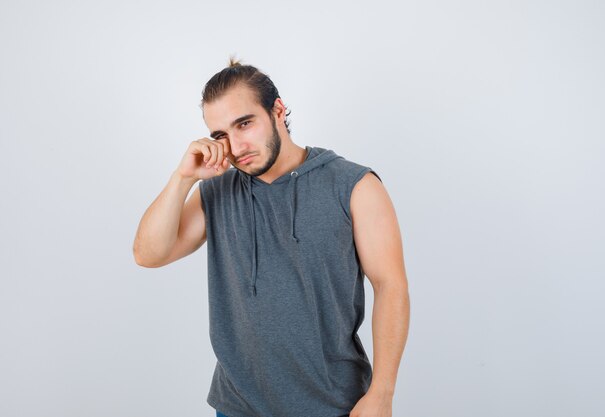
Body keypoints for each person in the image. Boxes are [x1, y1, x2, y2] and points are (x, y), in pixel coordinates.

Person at [133, 57, 410, 417]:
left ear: (277, 110)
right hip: (237, 407)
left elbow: (390, 286)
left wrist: (382, 393)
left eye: (244, 124)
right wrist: (182, 178)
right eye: (221, 135)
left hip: (335, 405)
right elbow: (148, 254)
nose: (235, 145)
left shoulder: (354, 185)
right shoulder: (217, 191)